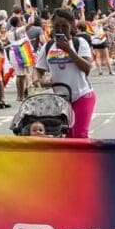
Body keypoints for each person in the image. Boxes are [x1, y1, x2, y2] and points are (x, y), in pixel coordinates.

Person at [35, 9, 96, 138]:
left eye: (64, 27)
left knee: (79, 135)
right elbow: (39, 70)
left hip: (82, 95)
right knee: (66, 137)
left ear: (72, 25)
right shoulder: (48, 46)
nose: (60, 30)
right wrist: (39, 80)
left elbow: (87, 67)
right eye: (56, 26)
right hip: (60, 100)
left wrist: (69, 50)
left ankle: (84, 158)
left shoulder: (79, 43)